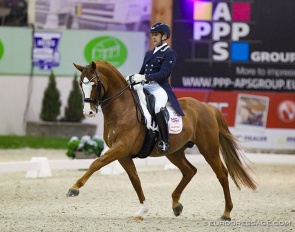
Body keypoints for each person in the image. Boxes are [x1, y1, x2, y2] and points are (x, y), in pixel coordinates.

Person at [131, 22, 184, 153]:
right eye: (152, 35)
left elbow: (163, 74)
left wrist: (144, 78)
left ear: (164, 36)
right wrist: (133, 78)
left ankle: (165, 141)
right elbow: (142, 71)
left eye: (156, 35)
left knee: (157, 107)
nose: (153, 37)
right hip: (145, 86)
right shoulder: (149, 54)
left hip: (159, 87)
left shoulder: (169, 53)